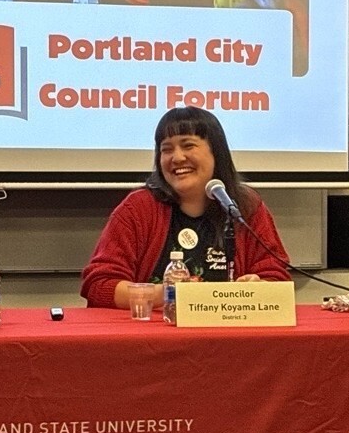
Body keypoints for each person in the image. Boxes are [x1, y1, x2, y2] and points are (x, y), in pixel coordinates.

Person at [81, 106, 291, 309]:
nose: (177, 157)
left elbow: (277, 278)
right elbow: (99, 285)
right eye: (166, 149)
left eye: (188, 145)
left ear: (216, 152)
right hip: (156, 337)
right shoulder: (138, 208)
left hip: (230, 336)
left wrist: (259, 287)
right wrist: (166, 294)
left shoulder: (244, 206)